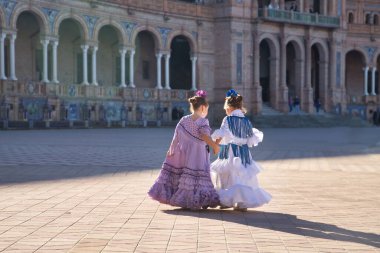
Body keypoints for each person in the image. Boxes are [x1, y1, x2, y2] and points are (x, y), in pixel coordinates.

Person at [148, 90, 220, 210]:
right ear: (203, 107)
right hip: (198, 156)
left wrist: (171, 150)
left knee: (184, 177)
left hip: (184, 155)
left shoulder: (183, 120)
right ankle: (200, 199)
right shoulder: (203, 122)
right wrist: (215, 146)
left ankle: (184, 199)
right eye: (207, 109)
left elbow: (175, 137)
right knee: (198, 176)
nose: (206, 112)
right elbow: (205, 136)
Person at [210, 89, 271, 211]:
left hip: (229, 151)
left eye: (226, 107)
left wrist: (215, 145)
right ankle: (243, 202)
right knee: (243, 176)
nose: (225, 110)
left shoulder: (227, 119)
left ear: (230, 107)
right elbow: (250, 139)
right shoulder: (246, 121)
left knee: (226, 175)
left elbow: (221, 134)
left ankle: (227, 201)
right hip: (244, 152)